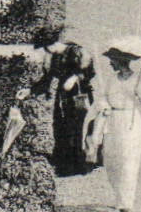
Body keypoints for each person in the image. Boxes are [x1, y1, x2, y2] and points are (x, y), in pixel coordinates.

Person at [89, 49, 141, 212]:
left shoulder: (138, 80)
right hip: (112, 120)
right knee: (111, 161)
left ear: (121, 61)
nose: (110, 64)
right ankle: (120, 196)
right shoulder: (111, 79)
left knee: (127, 162)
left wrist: (140, 92)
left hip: (130, 122)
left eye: (112, 60)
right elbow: (102, 97)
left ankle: (126, 205)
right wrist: (104, 105)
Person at [30, 30, 97, 176]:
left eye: (47, 48)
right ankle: (64, 164)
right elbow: (47, 79)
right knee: (60, 127)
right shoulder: (55, 57)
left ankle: (78, 165)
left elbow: (90, 72)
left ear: (51, 45)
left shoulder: (77, 51)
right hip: (63, 98)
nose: (47, 51)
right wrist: (30, 91)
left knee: (77, 128)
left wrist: (75, 77)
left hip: (78, 97)